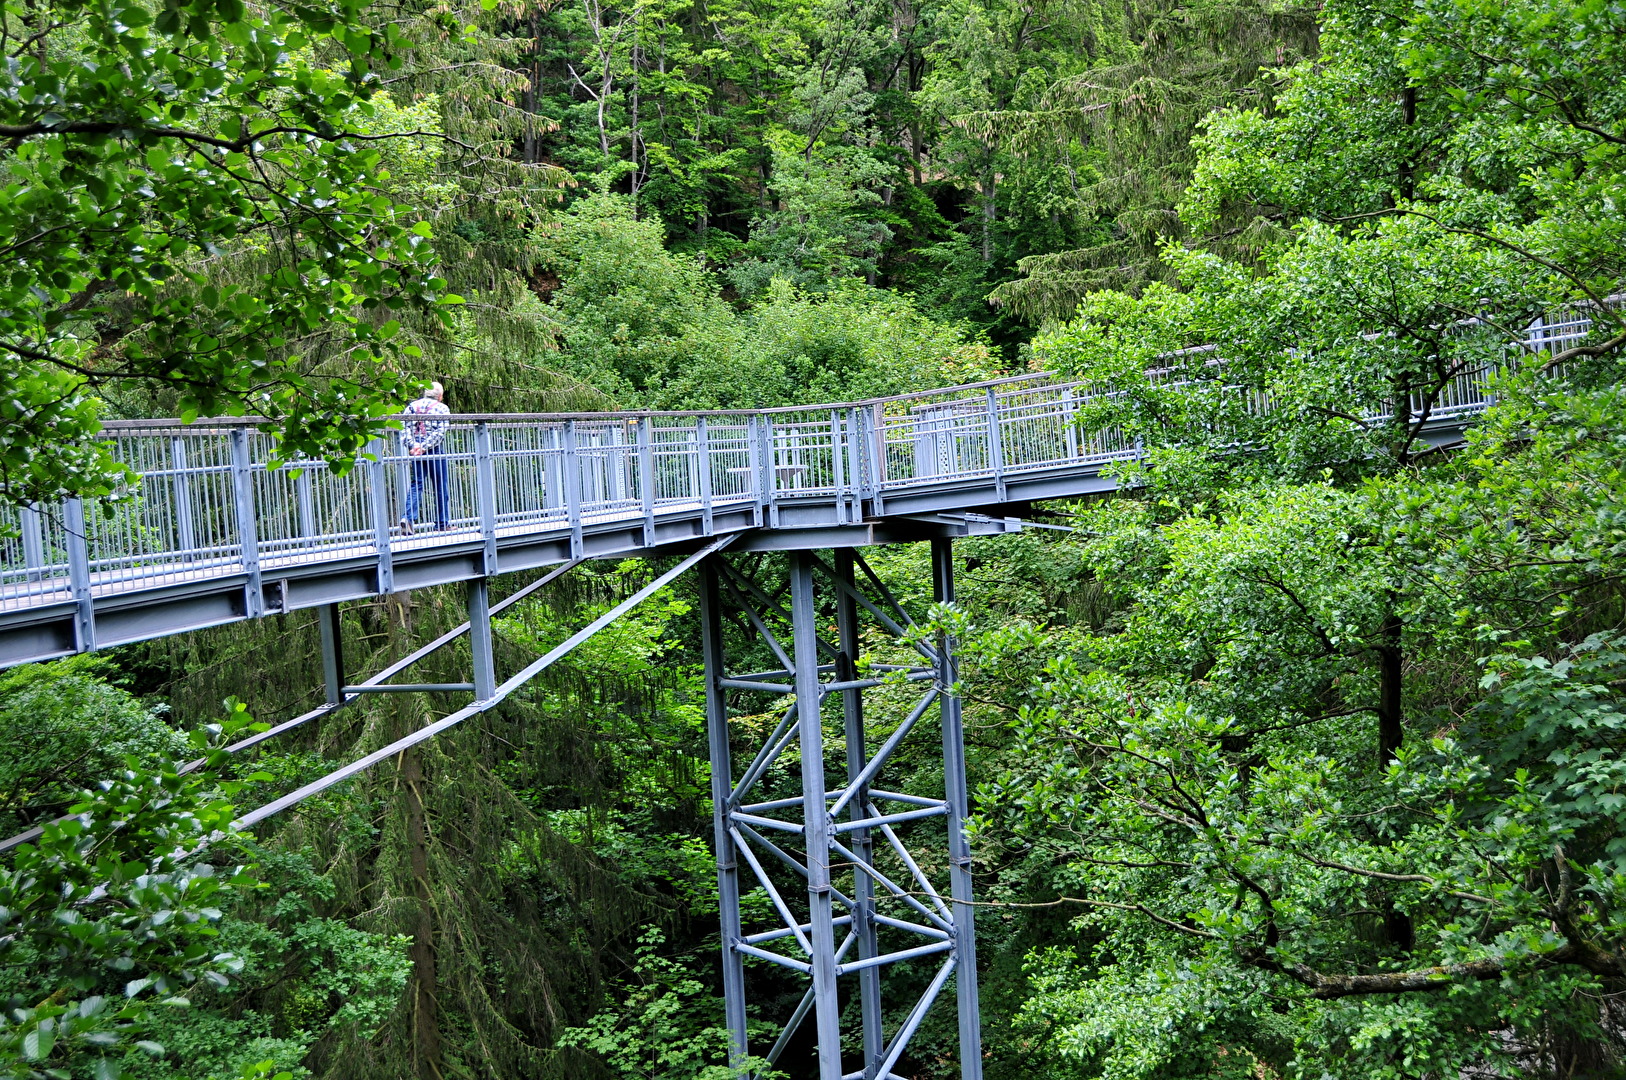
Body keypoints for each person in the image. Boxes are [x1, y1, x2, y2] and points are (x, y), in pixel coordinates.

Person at [399, 381, 451, 535]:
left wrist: (413, 446)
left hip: (416, 450)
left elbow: (404, 428)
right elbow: (440, 433)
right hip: (433, 450)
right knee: (440, 485)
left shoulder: (411, 407)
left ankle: (408, 518)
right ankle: (442, 523)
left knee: (417, 484)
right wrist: (424, 446)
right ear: (440, 396)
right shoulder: (442, 408)